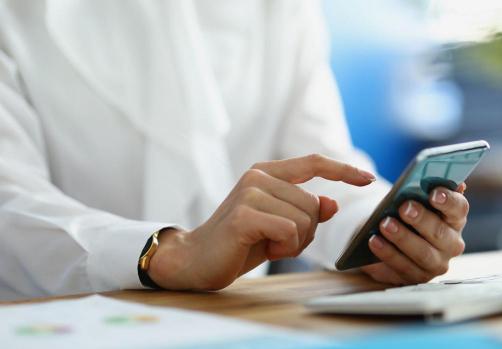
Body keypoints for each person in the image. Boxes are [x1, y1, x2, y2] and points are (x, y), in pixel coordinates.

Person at [0, 0, 468, 300]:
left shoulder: (281, 10)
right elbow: (9, 205)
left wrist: (386, 237)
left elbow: (322, 168)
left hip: (236, 324)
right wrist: (168, 254)